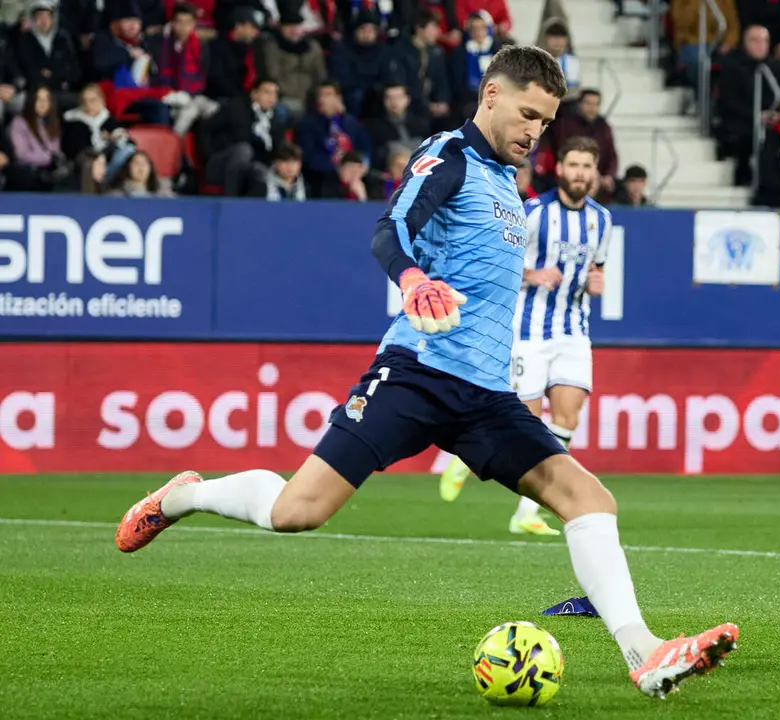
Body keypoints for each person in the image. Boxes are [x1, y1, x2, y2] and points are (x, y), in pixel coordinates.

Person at [113, 45, 737, 700]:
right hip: (416, 373)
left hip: (486, 397)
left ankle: (645, 655)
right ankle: (183, 495)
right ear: (491, 95)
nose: (534, 132)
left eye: (545, 123)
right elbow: (391, 227)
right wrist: (412, 279)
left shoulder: (508, 185)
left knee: (589, 499)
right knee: (298, 510)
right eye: (527, 114)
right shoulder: (452, 157)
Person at [438, 135, 611, 536]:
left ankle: (525, 514)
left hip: (574, 330)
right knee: (525, 424)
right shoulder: (531, 213)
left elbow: (595, 269)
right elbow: (494, 266)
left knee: (567, 417)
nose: (580, 174)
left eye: (587, 167)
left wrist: (595, 282)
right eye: (574, 165)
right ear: (560, 169)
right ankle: (466, 456)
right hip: (529, 331)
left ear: (595, 173)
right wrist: (531, 275)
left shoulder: (602, 219)